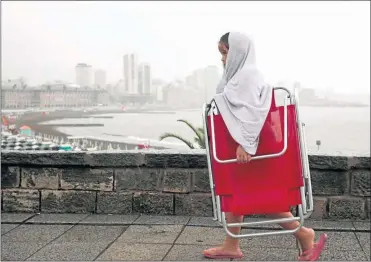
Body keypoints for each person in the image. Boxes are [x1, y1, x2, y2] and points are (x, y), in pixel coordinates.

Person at [202, 32, 327, 261]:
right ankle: (231, 245)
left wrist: (246, 144)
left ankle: (304, 234)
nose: (222, 59)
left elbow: (251, 112)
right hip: (240, 145)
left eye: (225, 52)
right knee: (235, 192)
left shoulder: (247, 75)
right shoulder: (240, 74)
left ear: (237, 51)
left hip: (247, 147)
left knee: (261, 196)